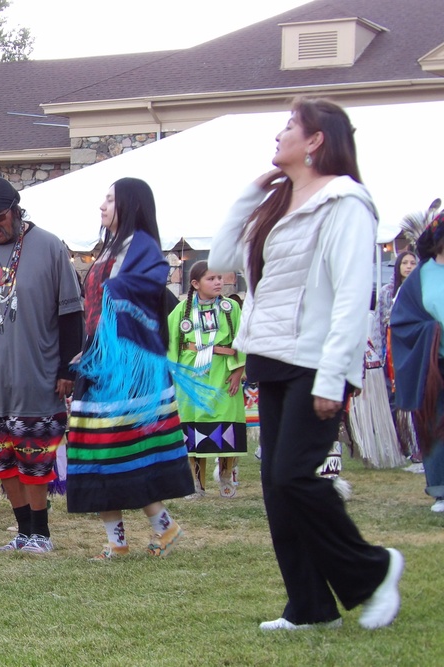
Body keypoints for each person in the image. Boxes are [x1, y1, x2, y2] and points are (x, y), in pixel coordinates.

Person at [210, 97, 403, 631]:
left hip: (315, 361)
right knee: (276, 486)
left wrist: (335, 374)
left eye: (290, 127)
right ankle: (311, 608)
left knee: (294, 477)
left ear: (316, 140)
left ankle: (375, 569)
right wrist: (252, 192)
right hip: (269, 356)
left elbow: (350, 296)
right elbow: (224, 260)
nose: (279, 135)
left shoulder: (345, 202)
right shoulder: (278, 202)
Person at [0, 176, 83, 553]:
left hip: (37, 376)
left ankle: (42, 534)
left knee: (34, 458)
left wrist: (68, 370)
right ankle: (23, 532)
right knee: (0, 459)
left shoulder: (50, 247)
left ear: (16, 211)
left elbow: (72, 316)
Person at [66, 178, 194, 560]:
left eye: (110, 199)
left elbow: (139, 296)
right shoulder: (107, 251)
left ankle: (162, 526)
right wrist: (87, 349)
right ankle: (118, 541)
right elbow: (98, 308)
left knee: (119, 450)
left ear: (131, 205)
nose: (102, 206)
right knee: (93, 453)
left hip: (129, 366)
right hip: (100, 363)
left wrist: (105, 336)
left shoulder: (144, 250)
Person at [168, 260, 246, 499]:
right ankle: (196, 482)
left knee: (227, 421)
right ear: (195, 283)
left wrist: (238, 371)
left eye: (219, 278)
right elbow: (173, 342)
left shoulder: (231, 307)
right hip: (193, 375)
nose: (218, 282)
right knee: (193, 425)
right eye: (211, 279)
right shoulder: (182, 310)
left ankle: (225, 475)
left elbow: (242, 337)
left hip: (223, 372)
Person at [391, 211, 444, 513]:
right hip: (434, 363)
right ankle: (441, 490)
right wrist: (431, 332)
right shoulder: (421, 277)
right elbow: (402, 322)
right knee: (437, 426)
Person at [379, 250, 421, 461]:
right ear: (398, 266)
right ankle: (401, 444)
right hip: (390, 351)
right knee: (393, 398)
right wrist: (378, 354)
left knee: (416, 396)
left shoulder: (420, 290)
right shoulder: (387, 292)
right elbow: (379, 323)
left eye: (413, 262)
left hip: (413, 349)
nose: (409, 266)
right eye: (404, 262)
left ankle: (418, 446)